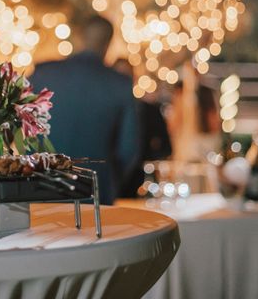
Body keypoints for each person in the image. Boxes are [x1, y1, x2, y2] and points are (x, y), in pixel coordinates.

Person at [30, 16, 140, 204]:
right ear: (108, 43)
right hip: (96, 192)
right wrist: (111, 182)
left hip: (42, 188)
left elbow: (23, 132)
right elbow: (128, 149)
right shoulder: (119, 84)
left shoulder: (42, 75)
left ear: (79, 37)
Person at [113, 59, 171, 197]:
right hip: (114, 186)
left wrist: (148, 163)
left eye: (125, 75)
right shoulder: (104, 112)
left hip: (143, 185)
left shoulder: (150, 110)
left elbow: (166, 147)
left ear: (133, 78)